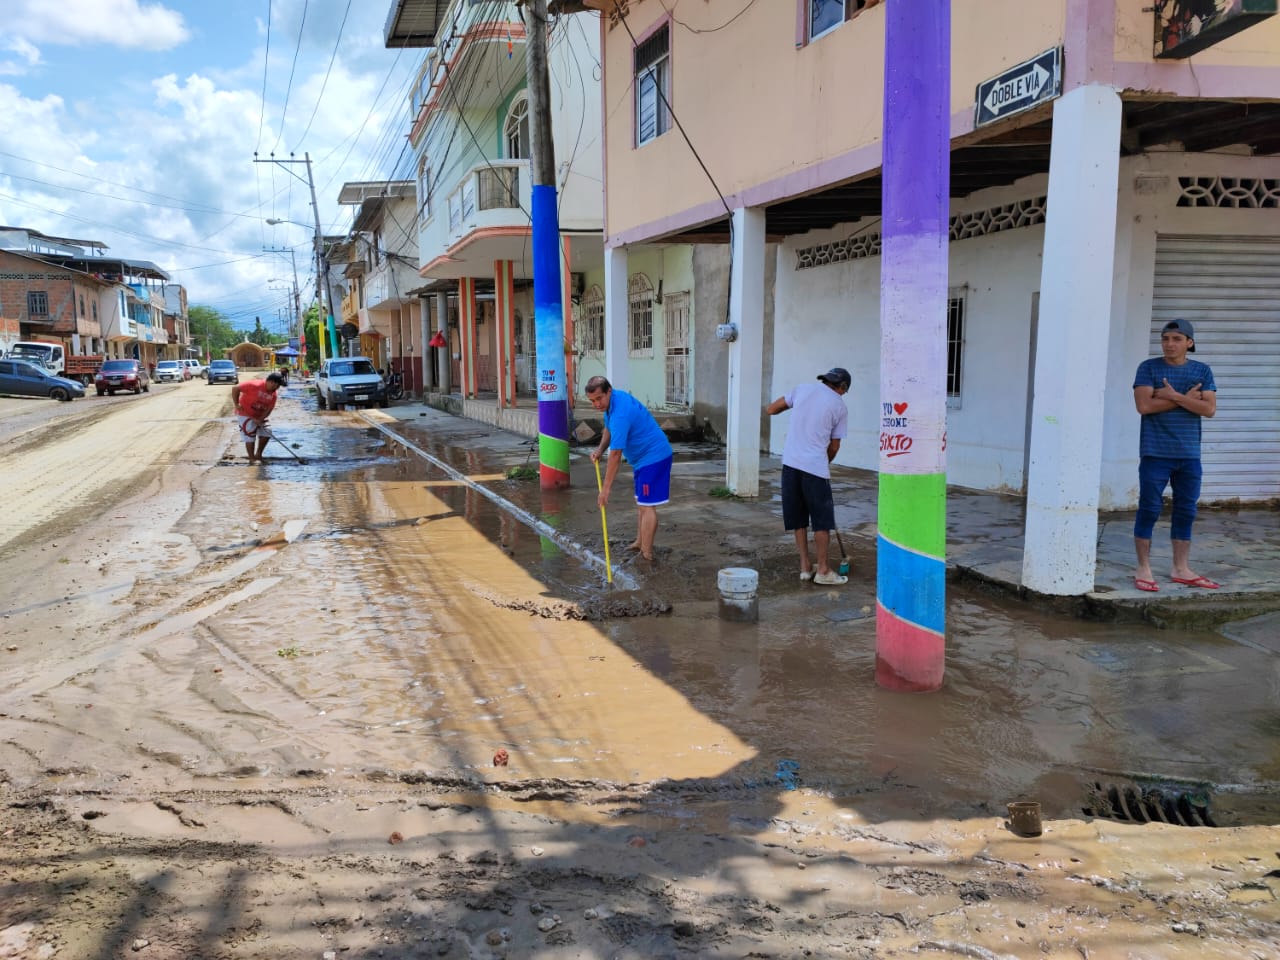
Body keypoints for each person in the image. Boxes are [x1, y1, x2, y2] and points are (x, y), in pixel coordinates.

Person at [1132, 318, 1219, 592]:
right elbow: (1144, 405)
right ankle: (1143, 568)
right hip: (1155, 452)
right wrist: (1187, 398)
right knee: (1149, 508)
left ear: (1189, 343)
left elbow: (1209, 410)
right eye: (1166, 339)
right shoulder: (1148, 368)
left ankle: (1180, 568)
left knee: (1186, 510)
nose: (1169, 344)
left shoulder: (1202, 371)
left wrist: (1172, 396)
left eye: (1177, 339)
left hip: (1189, 454)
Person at [766, 367, 851, 585]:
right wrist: (825, 462)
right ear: (842, 388)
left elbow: (771, 409)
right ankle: (822, 570)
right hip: (814, 468)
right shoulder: (839, 406)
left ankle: (805, 567)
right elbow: (834, 446)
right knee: (822, 521)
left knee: (798, 518)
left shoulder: (802, 390)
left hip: (790, 464)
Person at [585, 375, 674, 562]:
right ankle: (640, 542)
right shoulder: (614, 402)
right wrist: (600, 449)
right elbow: (608, 428)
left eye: (599, 399)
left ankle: (647, 554)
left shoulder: (620, 414)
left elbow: (616, 455)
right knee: (641, 503)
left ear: (609, 391)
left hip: (654, 457)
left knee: (647, 506)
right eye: (592, 401)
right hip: (642, 460)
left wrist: (606, 490)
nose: (596, 404)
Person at [232, 371, 286, 464]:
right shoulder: (255, 384)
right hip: (245, 413)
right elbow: (235, 388)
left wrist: (260, 419)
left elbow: (269, 409)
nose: (277, 388)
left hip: (258, 416)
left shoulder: (274, 394)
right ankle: (251, 458)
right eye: (277, 385)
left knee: (267, 432)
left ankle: (258, 454)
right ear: (272, 382)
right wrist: (236, 404)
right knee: (250, 434)